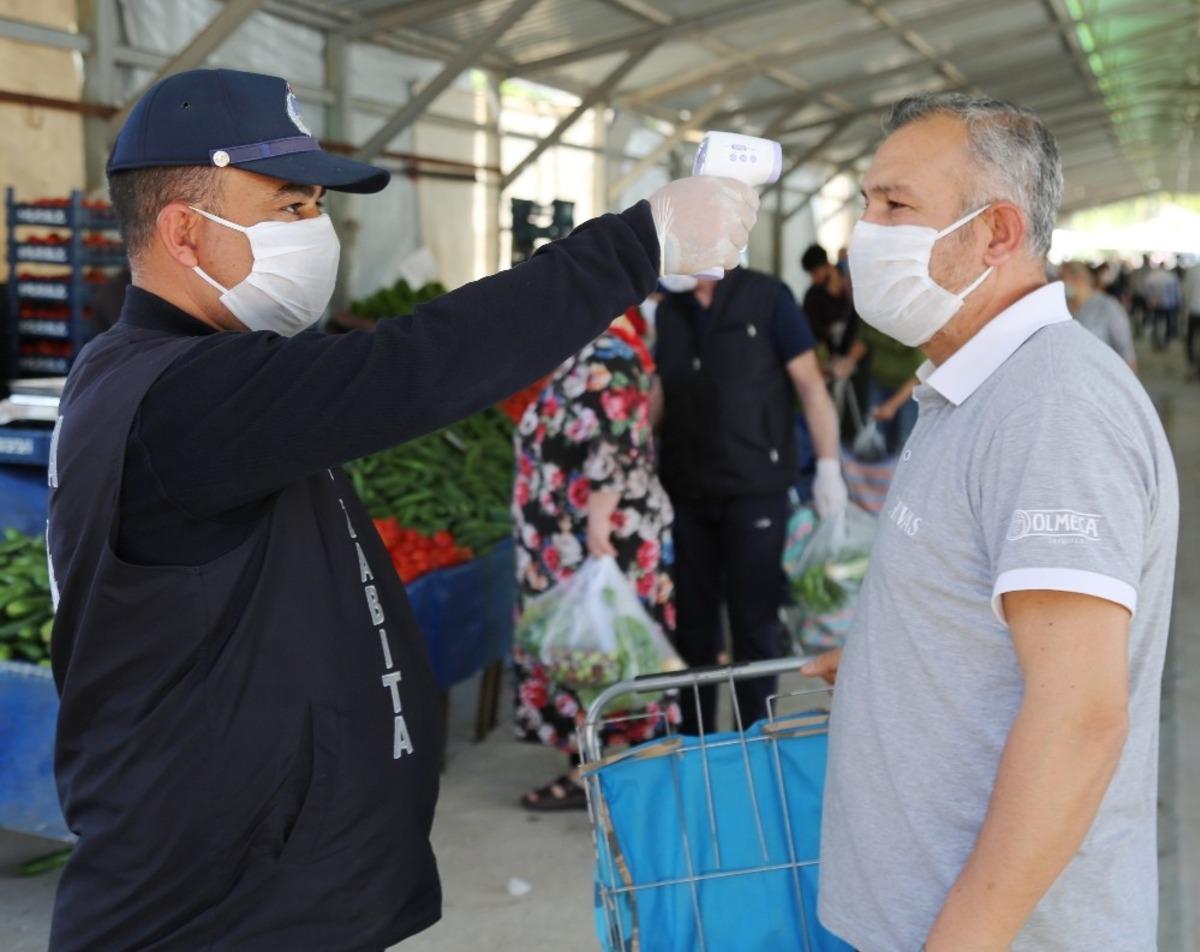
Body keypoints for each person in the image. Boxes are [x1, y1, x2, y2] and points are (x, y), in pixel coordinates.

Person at [44, 67, 758, 951]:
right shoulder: (178, 400)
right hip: (214, 912)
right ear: (184, 231)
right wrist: (632, 248)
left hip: (268, 893)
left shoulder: (209, 380)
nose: (317, 231)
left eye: (317, 207)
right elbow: (413, 367)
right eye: (289, 207)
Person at [802, 93, 1177, 952]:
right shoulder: (972, 387)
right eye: (866, 204)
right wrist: (889, 663)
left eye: (896, 206)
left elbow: (1079, 715)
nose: (869, 230)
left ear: (998, 234)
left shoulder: (1054, 411)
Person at [654, 267, 847, 733]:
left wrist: (827, 467)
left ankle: (754, 738)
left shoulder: (767, 298)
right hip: (685, 490)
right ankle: (694, 739)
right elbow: (661, 390)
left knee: (754, 623)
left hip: (756, 488)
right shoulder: (670, 309)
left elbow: (810, 385)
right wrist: (635, 460)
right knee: (693, 627)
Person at [511, 304, 675, 810]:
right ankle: (596, 772)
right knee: (590, 652)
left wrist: (599, 523)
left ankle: (608, 777)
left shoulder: (610, 353)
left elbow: (614, 442)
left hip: (596, 539)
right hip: (579, 538)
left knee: (604, 653)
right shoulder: (604, 352)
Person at [1060, 260, 1137, 372]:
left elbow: (1126, 352)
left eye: (1062, 277)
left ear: (1079, 278)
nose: (1060, 282)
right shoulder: (1063, 306)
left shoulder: (1109, 307)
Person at [800, 242, 856, 355]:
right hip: (827, 354)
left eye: (814, 272)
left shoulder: (850, 284)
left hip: (852, 352)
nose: (813, 279)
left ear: (824, 266)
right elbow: (810, 328)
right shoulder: (813, 295)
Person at [1144, 258, 1181, 347]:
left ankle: (1156, 340)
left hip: (1155, 304)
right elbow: (1177, 291)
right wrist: (1178, 302)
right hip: (1168, 304)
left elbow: (1147, 290)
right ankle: (1166, 340)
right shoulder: (1171, 276)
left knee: (1156, 321)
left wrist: (1149, 301)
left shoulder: (1152, 276)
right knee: (1168, 322)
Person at [1183, 258, 1200, 371]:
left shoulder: (1192, 271)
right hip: (1193, 309)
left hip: (1194, 310)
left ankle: (1192, 363)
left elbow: (1186, 291)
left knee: (1190, 339)